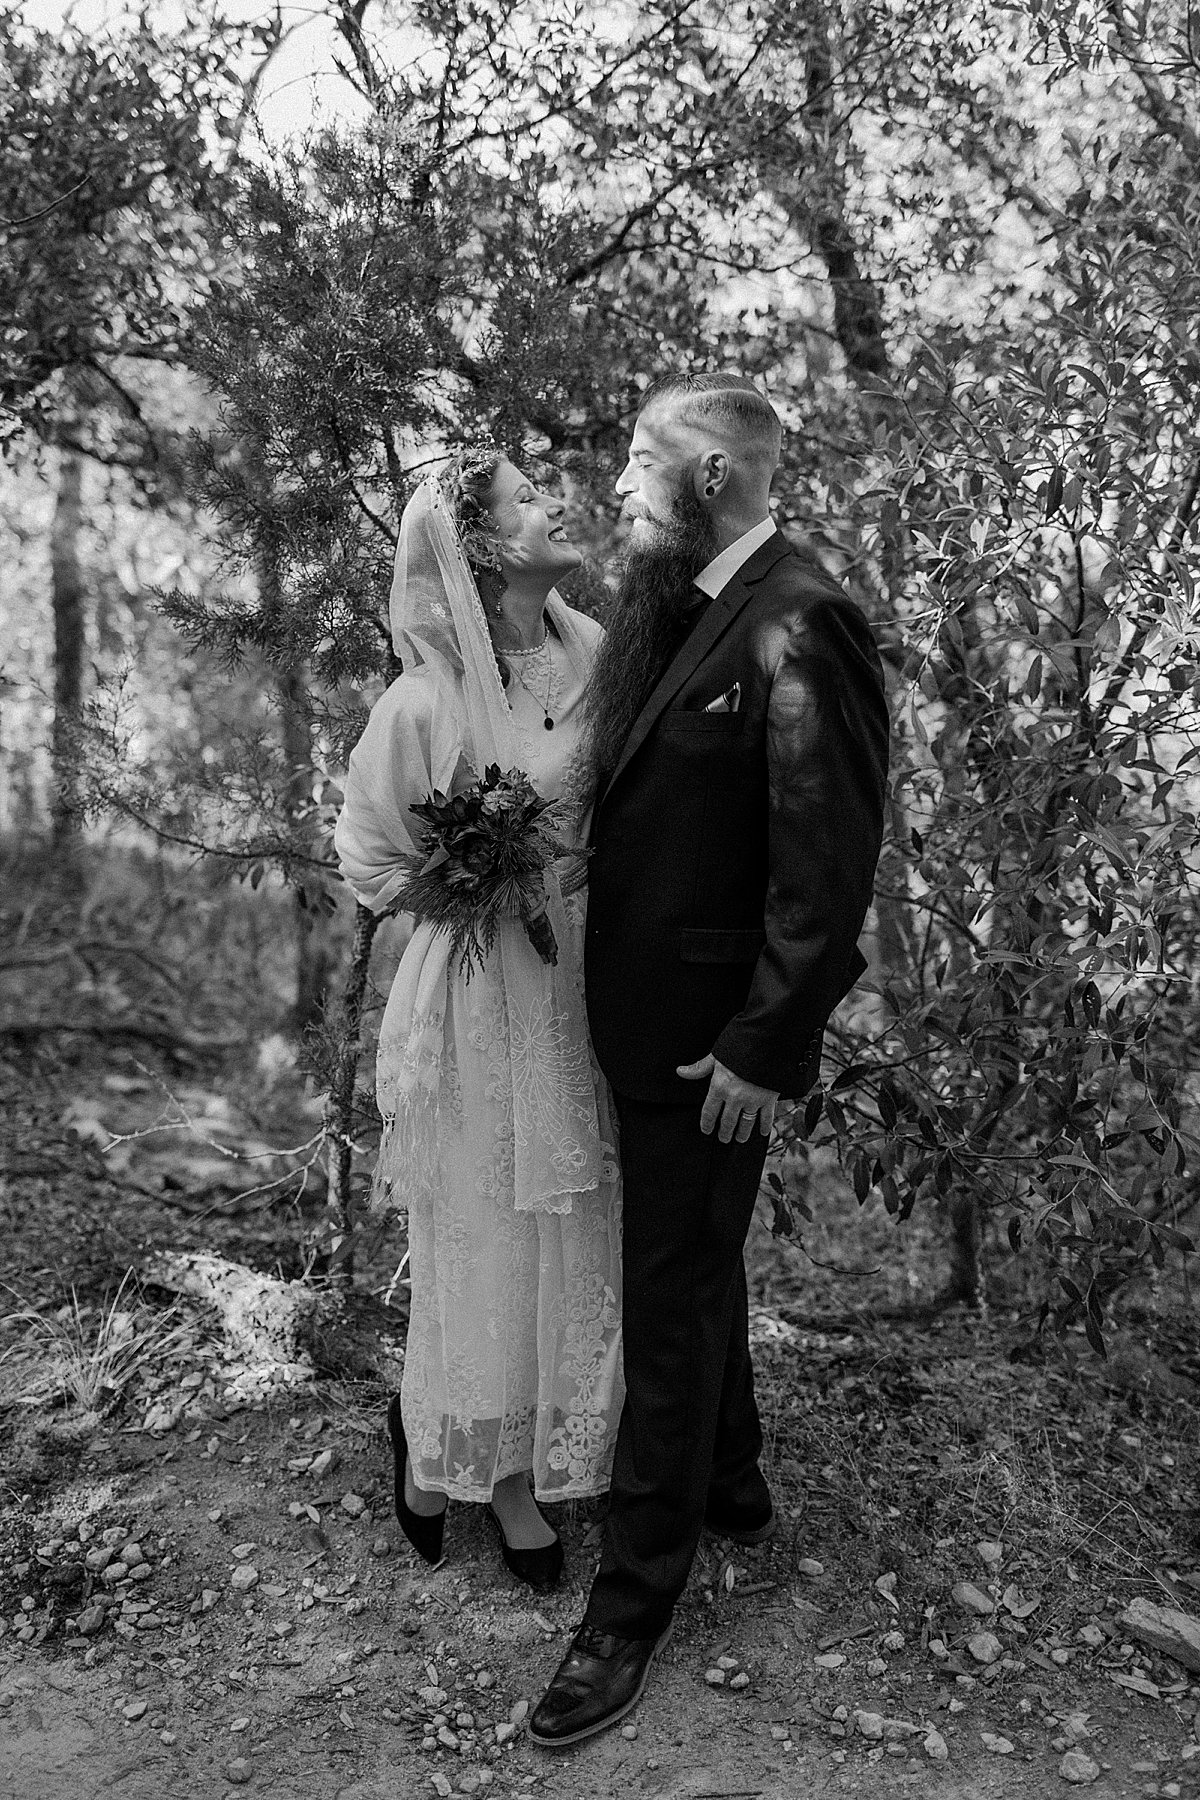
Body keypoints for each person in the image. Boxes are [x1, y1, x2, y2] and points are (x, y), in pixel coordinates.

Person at [528, 374, 889, 1742]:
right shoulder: (686, 600)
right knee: (692, 1265)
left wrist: (762, 1045)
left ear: (720, 471)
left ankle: (627, 1609)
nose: (618, 485)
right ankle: (731, 1489)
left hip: (708, 1050)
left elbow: (827, 864)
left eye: (638, 460)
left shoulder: (807, 618)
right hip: (642, 1022)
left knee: (666, 1304)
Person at [335, 451, 623, 1593]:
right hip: (475, 995)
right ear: (487, 545)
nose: (556, 502)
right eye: (529, 496)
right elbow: (367, 855)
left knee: (572, 1219)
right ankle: (470, 1462)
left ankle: (535, 1449)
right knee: (488, 1223)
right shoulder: (424, 701)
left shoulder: (597, 658)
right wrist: (467, 882)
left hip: (586, 985)